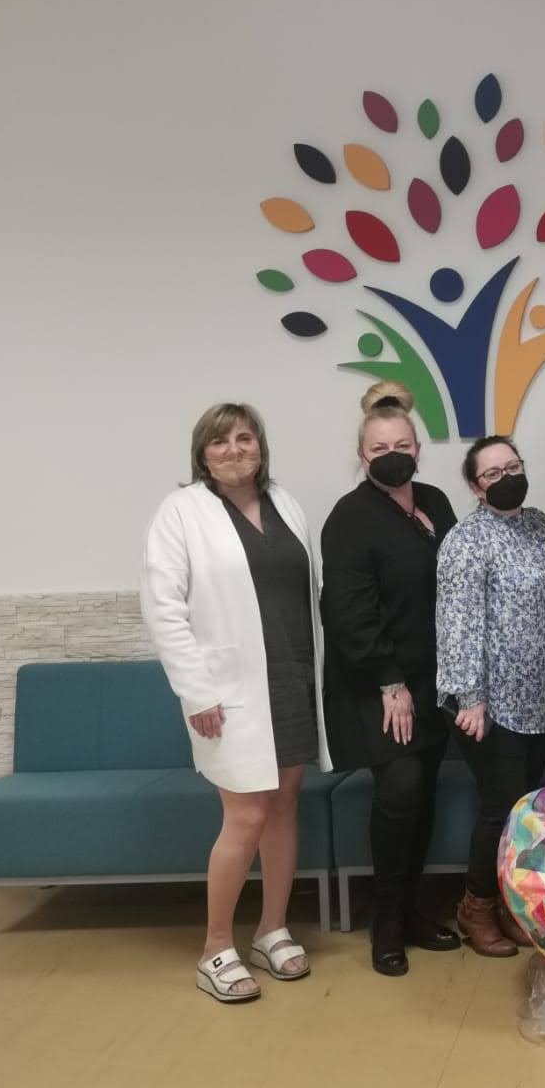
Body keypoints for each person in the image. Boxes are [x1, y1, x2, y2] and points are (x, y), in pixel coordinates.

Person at [141, 403, 330, 1003]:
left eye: (244, 438)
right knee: (245, 815)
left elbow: (308, 592)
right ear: (202, 453)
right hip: (226, 690)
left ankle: (272, 929)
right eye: (219, 441)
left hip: (293, 678)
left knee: (284, 805)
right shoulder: (181, 512)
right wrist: (195, 689)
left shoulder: (286, 504)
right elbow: (163, 606)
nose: (233, 449)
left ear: (260, 446)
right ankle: (215, 947)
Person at [320, 381, 460, 976]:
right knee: (400, 787)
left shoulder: (435, 501)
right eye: (379, 448)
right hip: (379, 683)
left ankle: (411, 912)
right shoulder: (349, 517)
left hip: (434, 680)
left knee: (424, 792)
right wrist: (389, 681)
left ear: (418, 449)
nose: (392, 455)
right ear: (362, 455)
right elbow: (347, 610)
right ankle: (385, 922)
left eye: (402, 445)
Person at [436, 435, 545, 958]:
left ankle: (510, 904)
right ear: (475, 487)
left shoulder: (539, 526)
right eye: (493, 473)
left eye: (513, 467)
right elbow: (457, 622)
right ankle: (476, 907)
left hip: (538, 697)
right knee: (500, 809)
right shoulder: (466, 539)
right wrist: (471, 697)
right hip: (487, 704)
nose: (507, 477)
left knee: (524, 811)